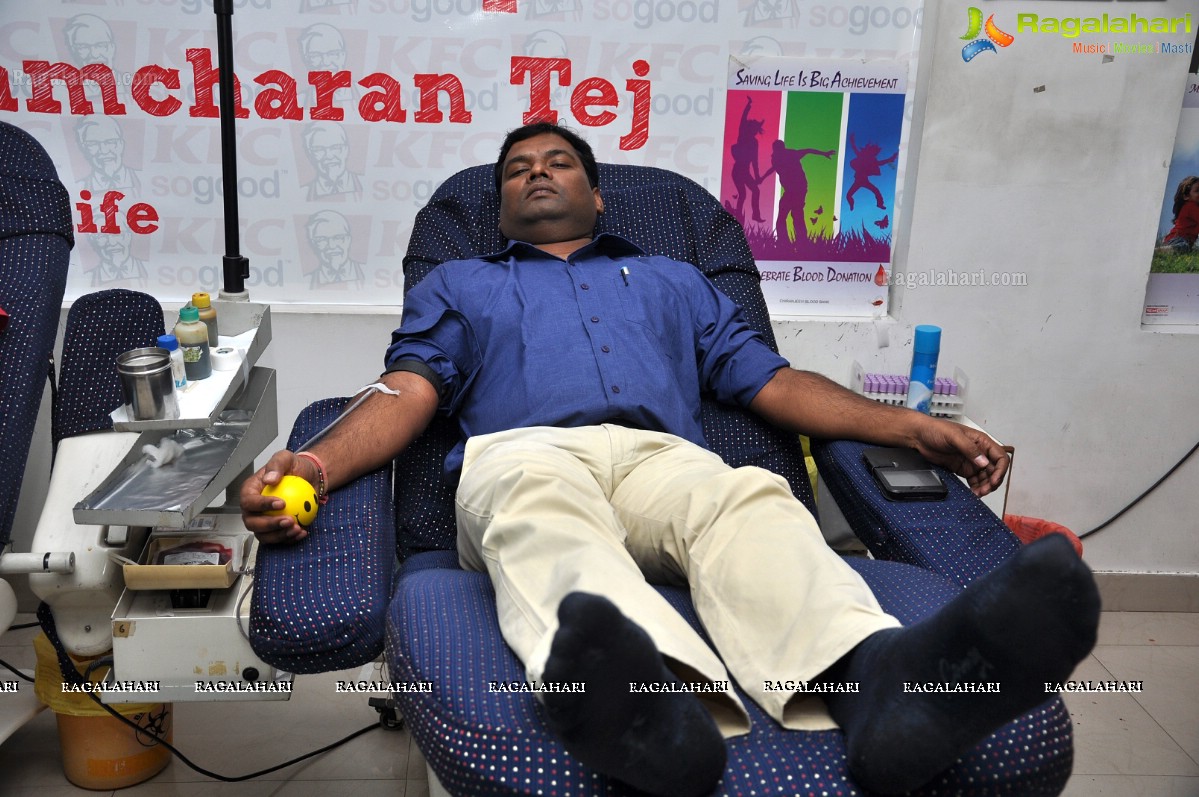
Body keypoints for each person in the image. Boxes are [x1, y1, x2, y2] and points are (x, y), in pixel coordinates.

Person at [242, 122, 1099, 797]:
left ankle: (880, 686)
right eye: (515, 170)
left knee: (750, 499)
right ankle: (654, 714)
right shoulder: (459, 283)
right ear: (499, 208)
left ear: (597, 195)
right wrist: (312, 466)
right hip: (525, 454)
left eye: (558, 162)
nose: (535, 173)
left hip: (664, 459)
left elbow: (769, 380)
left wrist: (906, 425)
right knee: (537, 507)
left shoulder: (674, 280)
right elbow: (405, 391)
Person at [1158, 175, 1199, 253]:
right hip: (1177, 239)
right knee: (1184, 246)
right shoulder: (1191, 206)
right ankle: (1160, 251)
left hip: (1181, 241)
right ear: (1186, 196)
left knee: (1189, 248)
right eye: (1197, 190)